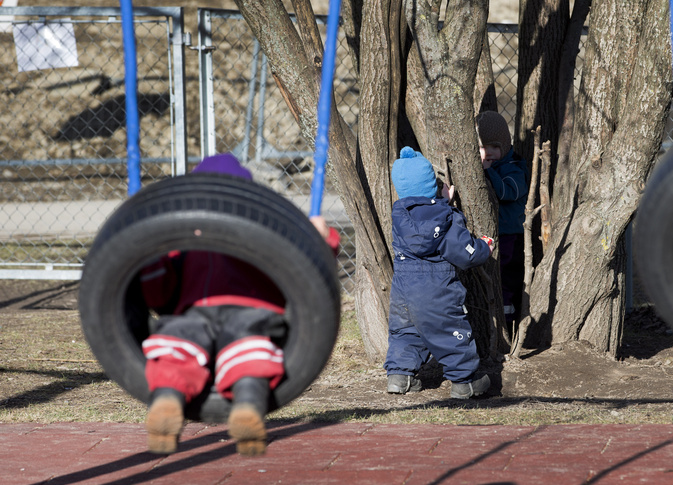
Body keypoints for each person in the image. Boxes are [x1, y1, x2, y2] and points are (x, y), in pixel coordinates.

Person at [140, 153, 340, 456]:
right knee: (249, 352)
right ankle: (248, 406)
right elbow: (302, 264)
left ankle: (168, 399)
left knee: (176, 345)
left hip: (195, 310)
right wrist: (323, 240)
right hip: (251, 311)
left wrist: (149, 255)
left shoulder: (180, 240)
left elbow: (158, 295)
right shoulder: (267, 233)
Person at [384, 146, 494, 399]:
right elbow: (465, 254)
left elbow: (422, 221)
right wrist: (484, 247)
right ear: (433, 186)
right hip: (436, 286)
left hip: (403, 288)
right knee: (449, 330)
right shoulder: (446, 216)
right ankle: (465, 382)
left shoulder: (399, 214)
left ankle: (400, 377)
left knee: (405, 331)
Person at [476, 111, 529, 324]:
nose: (488, 153)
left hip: (510, 237)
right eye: (482, 147)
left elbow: (509, 193)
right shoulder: (489, 167)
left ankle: (508, 321)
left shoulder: (512, 168)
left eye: (494, 147)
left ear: (504, 147)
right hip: (492, 236)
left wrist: (490, 173)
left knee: (507, 280)